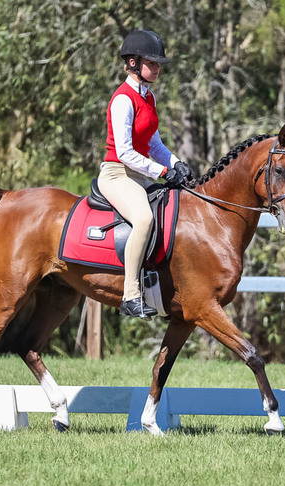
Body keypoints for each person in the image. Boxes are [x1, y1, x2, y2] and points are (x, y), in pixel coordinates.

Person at [99, 29, 192, 319]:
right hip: (117, 174)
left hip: (139, 175)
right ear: (133, 63)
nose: (158, 68)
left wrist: (176, 163)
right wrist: (163, 171)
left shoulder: (148, 98)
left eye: (158, 63)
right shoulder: (123, 99)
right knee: (144, 219)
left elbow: (154, 144)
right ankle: (130, 295)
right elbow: (125, 152)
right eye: (152, 63)